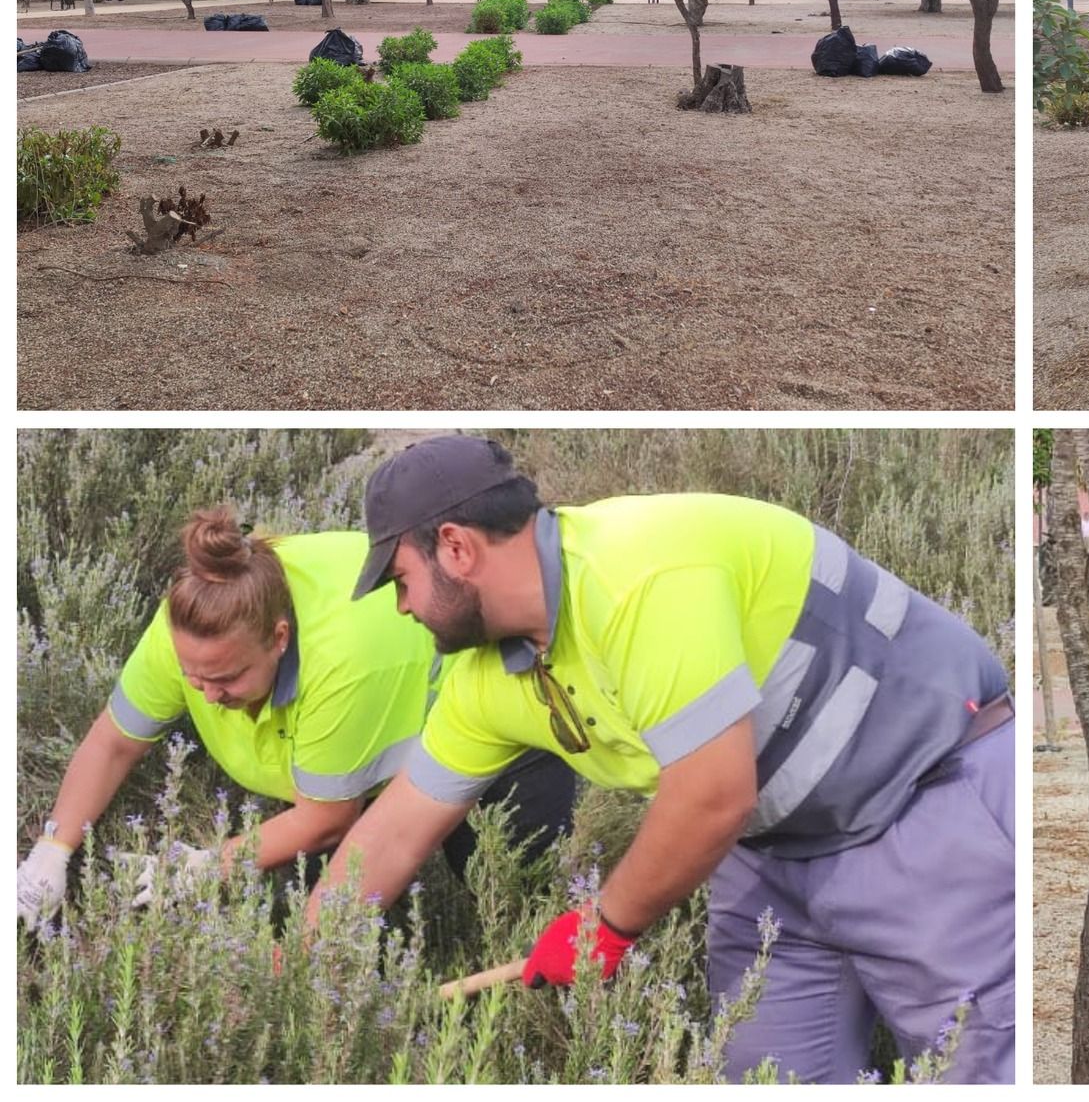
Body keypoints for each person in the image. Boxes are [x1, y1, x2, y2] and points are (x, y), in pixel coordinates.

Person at [311, 436, 1015, 1083]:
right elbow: (398, 824)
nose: (402, 607)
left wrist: (605, 926)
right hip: (773, 852)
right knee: (762, 1073)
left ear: (456, 548)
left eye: (400, 579)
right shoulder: (488, 678)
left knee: (978, 1069)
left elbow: (711, 795)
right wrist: (298, 963)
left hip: (926, 806)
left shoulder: (640, 572)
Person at [16, 506, 575, 924]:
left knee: (516, 890)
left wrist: (209, 863)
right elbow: (111, 743)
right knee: (318, 916)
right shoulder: (189, 631)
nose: (207, 695)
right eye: (194, 678)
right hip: (360, 732)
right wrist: (53, 851)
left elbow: (327, 817)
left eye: (228, 678)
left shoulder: (342, 665)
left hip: (493, 725)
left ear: (279, 639)